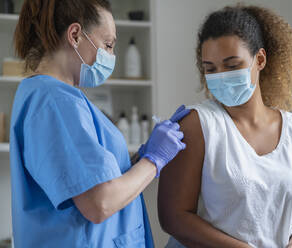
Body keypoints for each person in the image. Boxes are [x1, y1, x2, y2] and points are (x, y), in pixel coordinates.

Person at [9, 0, 189, 247]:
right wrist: (154, 160)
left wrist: (137, 160)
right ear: (74, 34)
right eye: (108, 45)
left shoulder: (55, 97)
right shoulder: (53, 100)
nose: (110, 56)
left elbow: (90, 180)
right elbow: (99, 203)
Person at [158, 5, 292, 248]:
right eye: (210, 68)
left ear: (260, 59)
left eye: (232, 66)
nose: (220, 76)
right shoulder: (198, 124)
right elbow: (173, 217)